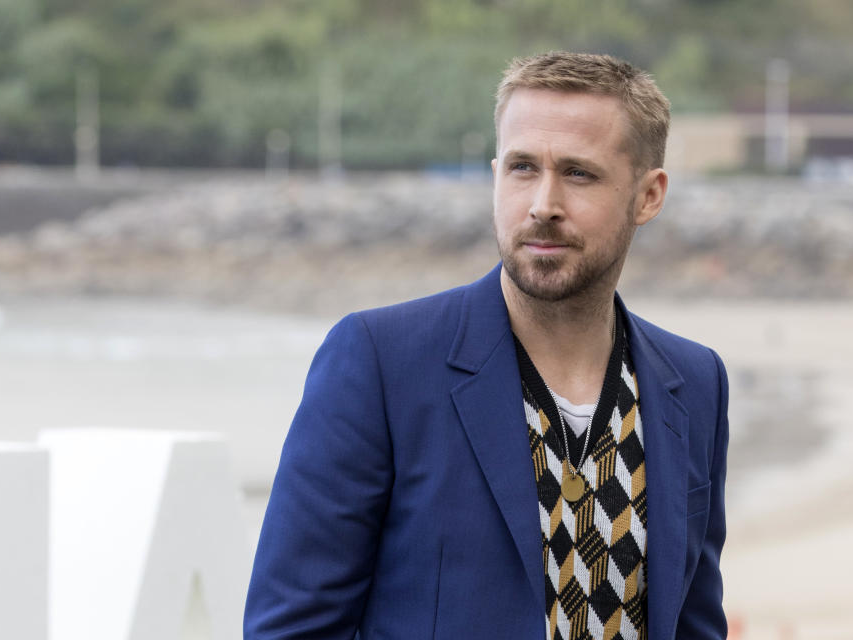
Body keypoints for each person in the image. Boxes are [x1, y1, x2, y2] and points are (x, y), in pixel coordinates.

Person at [244, 51, 729, 640]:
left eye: (578, 173)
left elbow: (694, 622)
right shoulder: (380, 362)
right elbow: (293, 627)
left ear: (648, 196)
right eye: (523, 168)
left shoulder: (695, 381)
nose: (542, 204)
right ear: (496, 173)